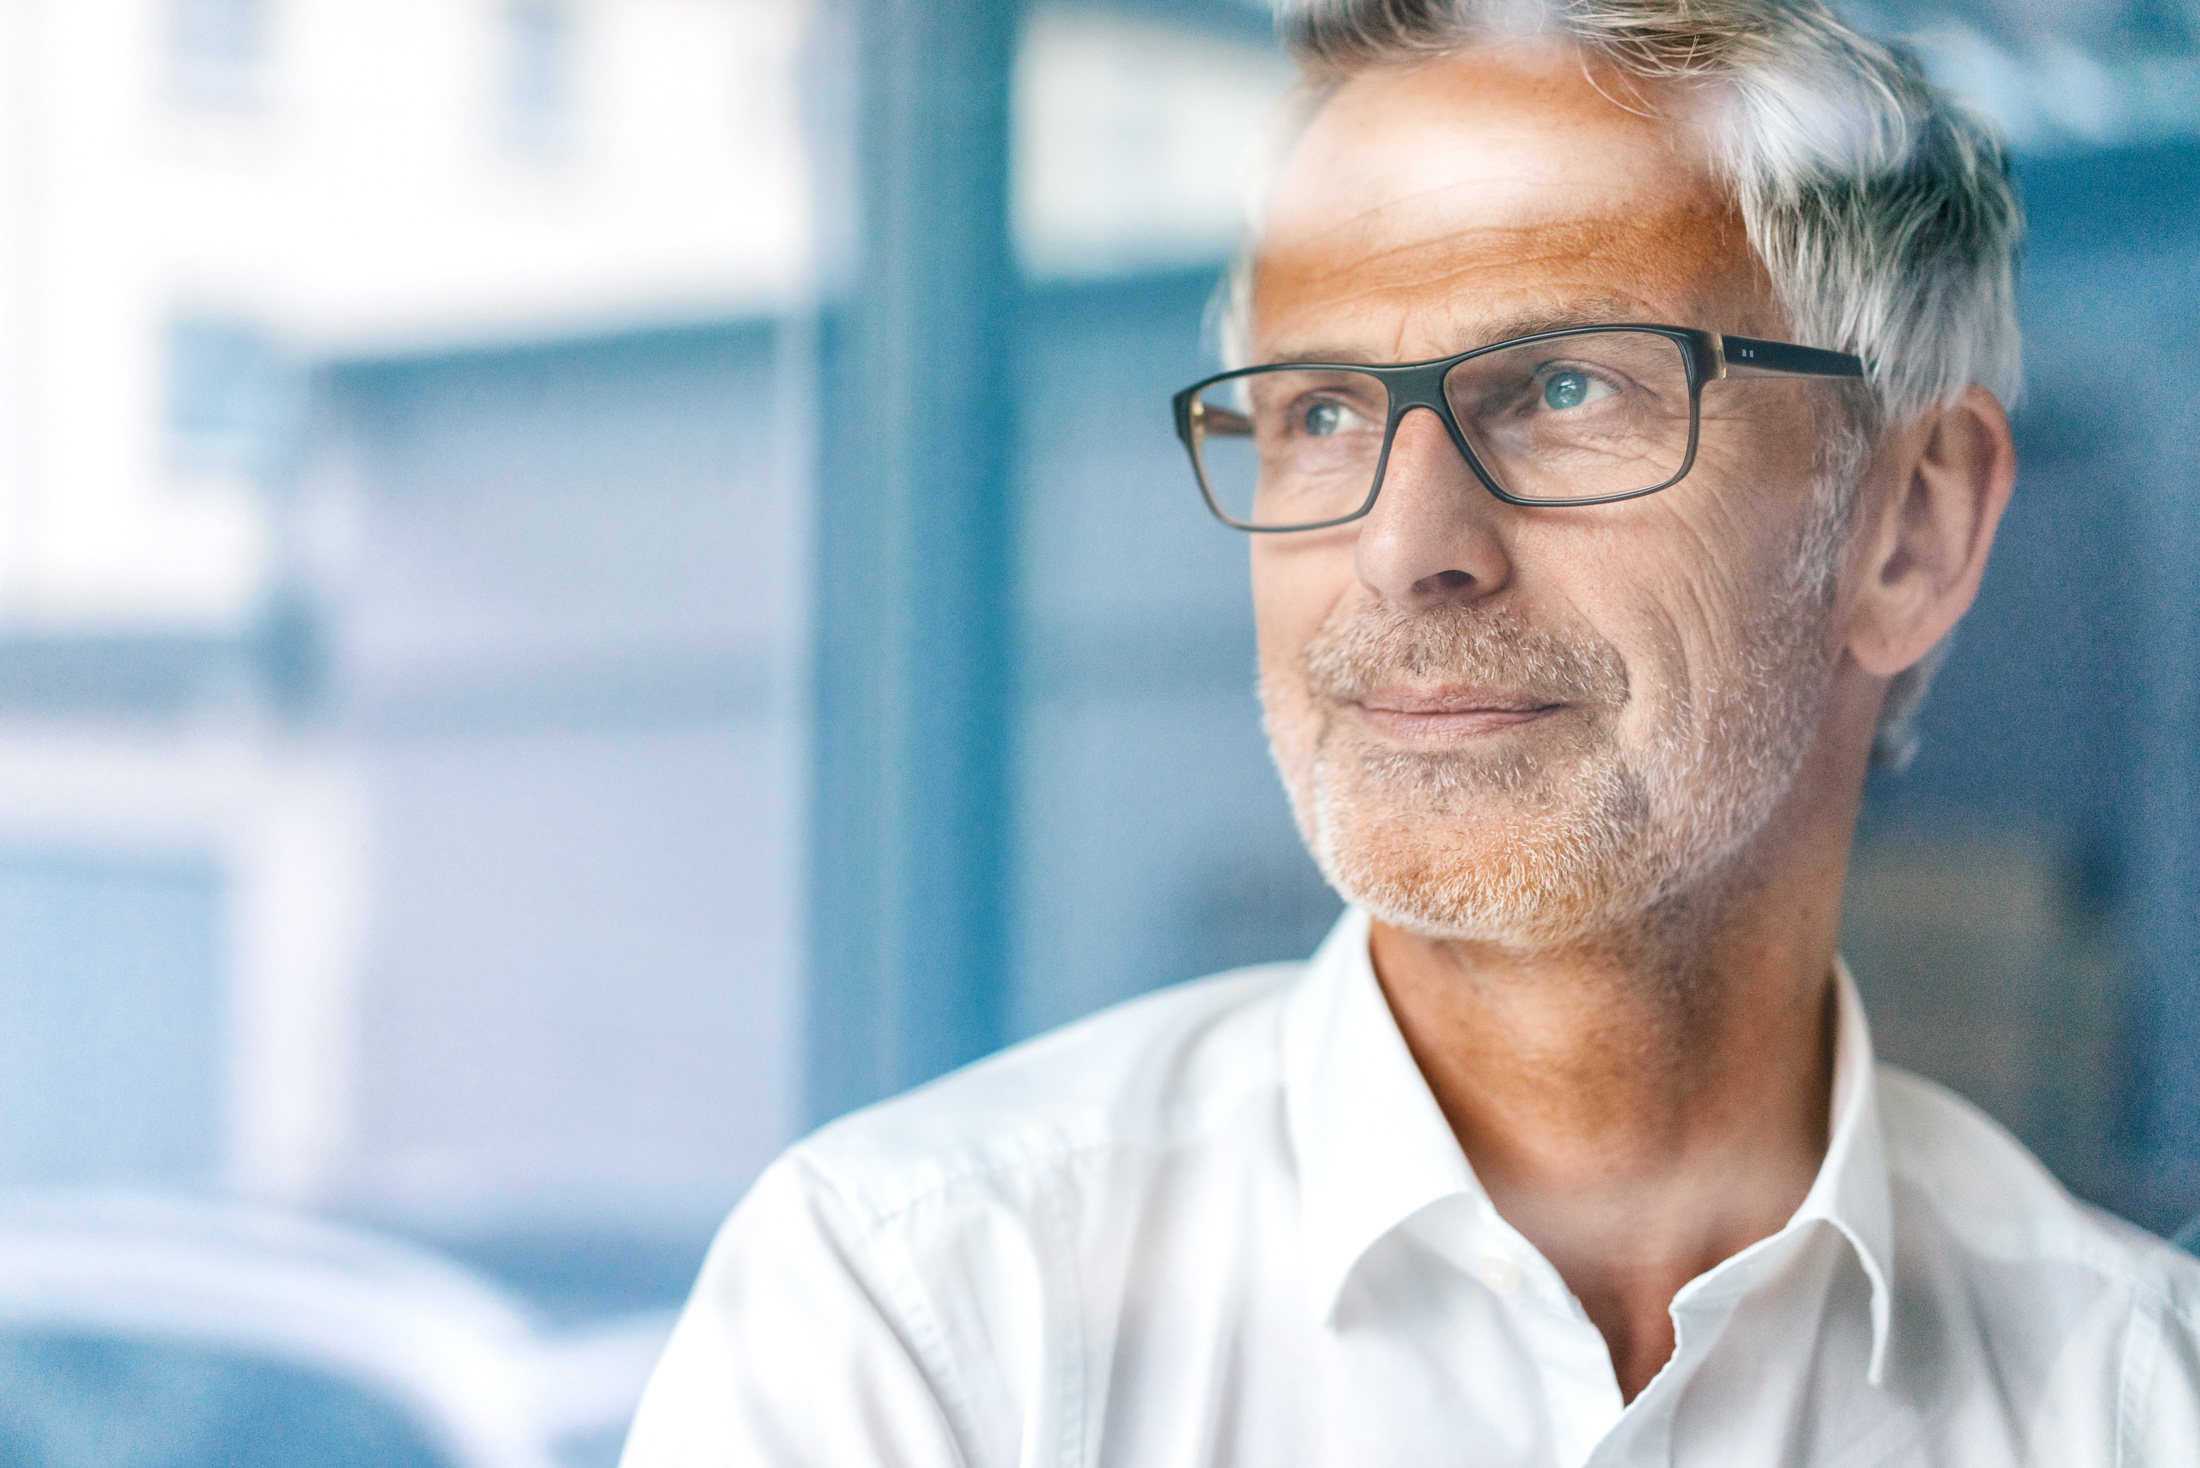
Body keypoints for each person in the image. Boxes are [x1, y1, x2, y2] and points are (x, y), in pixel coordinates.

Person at [623, 1, 2200, 1462]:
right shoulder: (916, 1318)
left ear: (1910, 529)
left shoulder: (2138, 1394)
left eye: (1570, 387)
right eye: (1319, 414)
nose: (1404, 544)